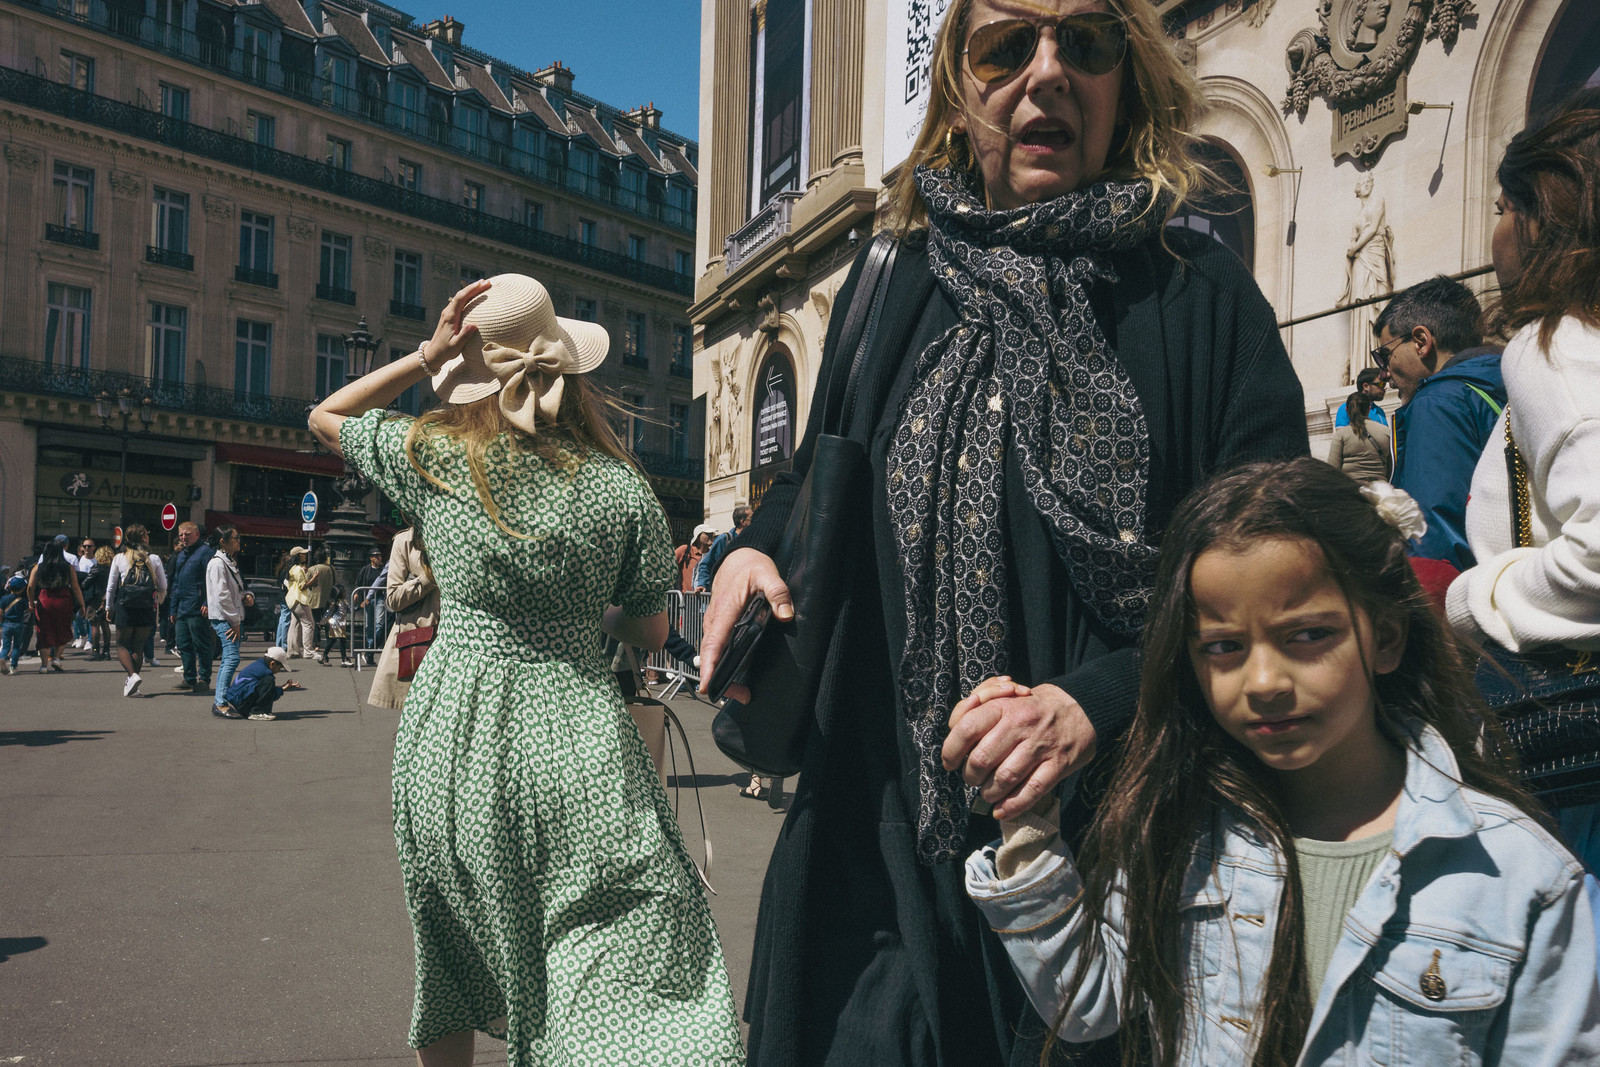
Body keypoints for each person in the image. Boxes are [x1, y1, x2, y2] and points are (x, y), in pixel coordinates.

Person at [697, 2, 1308, 1061]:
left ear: (1128, 78)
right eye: (1006, 44)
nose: (1047, 72)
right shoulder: (892, 283)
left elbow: (1278, 567)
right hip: (875, 852)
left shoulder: (1197, 292)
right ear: (957, 84)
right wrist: (755, 544)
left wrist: (1093, 702)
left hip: (1104, 865)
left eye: (1086, 42)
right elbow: (817, 468)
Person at [964, 458, 1600, 1064]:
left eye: (1308, 635)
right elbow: (1089, 1006)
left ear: (1385, 637)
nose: (1264, 680)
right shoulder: (1177, 825)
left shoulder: (1521, 875)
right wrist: (1029, 827)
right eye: (1223, 646)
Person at [309, 273, 743, 1066]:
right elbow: (648, 627)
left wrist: (422, 356)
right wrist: (586, 616)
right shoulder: (621, 489)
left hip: (454, 735)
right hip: (577, 739)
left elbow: (325, 416)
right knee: (613, 943)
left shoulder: (436, 456)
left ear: (472, 366)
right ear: (568, 367)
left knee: (449, 951)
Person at [1447, 89, 1600, 871]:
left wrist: (1474, 599)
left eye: (1504, 206)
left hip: (1575, 761)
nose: (1495, 232)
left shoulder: (1554, 344)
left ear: (1541, 217)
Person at [1373, 275, 1505, 569]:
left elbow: (1433, 534)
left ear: (1421, 341)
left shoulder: (1437, 402)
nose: (1383, 372)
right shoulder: (1498, 381)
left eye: (1385, 355)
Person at [367, 525, 439, 712]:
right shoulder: (406, 540)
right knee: (418, 713)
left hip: (461, 642)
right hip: (423, 639)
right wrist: (427, 577)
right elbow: (394, 599)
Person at [105, 525, 167, 697]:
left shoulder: (119, 558)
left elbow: (111, 587)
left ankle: (132, 676)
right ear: (144, 538)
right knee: (138, 645)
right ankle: (133, 685)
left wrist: (109, 607)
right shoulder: (153, 559)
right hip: (146, 606)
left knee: (122, 643)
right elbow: (163, 586)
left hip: (125, 606)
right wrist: (157, 603)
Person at [205, 526, 254, 717]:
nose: (238, 541)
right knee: (231, 658)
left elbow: (235, 591)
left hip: (230, 616)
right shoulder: (218, 564)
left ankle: (221, 700)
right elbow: (222, 595)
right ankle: (220, 702)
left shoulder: (228, 562)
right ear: (222, 541)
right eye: (235, 538)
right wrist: (234, 620)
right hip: (224, 617)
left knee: (229, 658)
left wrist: (247, 596)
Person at [166, 521, 215, 694]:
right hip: (182, 608)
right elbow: (176, 583)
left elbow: (211, 581)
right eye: (181, 535)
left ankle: (204, 679)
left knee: (201, 645)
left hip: (197, 608)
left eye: (187, 534)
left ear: (196, 535)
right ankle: (189, 678)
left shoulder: (206, 553)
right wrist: (173, 609)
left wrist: (207, 603)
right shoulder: (181, 555)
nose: (183, 538)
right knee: (183, 644)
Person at [29, 535, 85, 673]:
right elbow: (75, 587)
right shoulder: (68, 567)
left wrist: (31, 601)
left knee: (44, 631)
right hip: (63, 599)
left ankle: (43, 665)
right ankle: (57, 658)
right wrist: (82, 604)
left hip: (45, 599)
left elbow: (30, 586)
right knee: (63, 628)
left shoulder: (38, 567)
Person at [215, 645, 302, 721]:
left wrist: (283, 688)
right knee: (269, 681)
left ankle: (254, 711)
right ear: (273, 663)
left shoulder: (258, 665)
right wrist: (280, 690)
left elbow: (265, 692)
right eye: (281, 667)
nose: (280, 670)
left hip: (238, 699)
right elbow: (269, 694)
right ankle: (257, 712)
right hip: (242, 701)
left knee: (267, 683)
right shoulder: (266, 673)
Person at [1324, 390, 1391, 484]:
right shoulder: (1386, 432)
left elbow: (1333, 471)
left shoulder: (1341, 435)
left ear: (1347, 410)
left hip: (1351, 492)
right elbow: (1390, 468)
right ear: (1369, 409)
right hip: (1380, 492)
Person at [693, 505, 750, 592]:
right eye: (752, 518)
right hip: (725, 594)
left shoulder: (752, 540)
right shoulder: (724, 540)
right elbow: (706, 564)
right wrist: (703, 584)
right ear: (743, 522)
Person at [356, 547, 387, 666]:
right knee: (369, 624)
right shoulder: (366, 570)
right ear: (371, 558)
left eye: (380, 556)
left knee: (379, 623)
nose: (379, 558)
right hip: (368, 599)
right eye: (376, 556)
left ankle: (372, 646)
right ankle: (370, 646)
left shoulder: (383, 570)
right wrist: (358, 594)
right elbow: (359, 582)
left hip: (379, 598)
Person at [81, 546, 113, 660]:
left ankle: (95, 651)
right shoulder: (112, 569)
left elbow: (85, 584)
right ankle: (107, 651)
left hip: (95, 600)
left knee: (94, 625)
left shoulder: (96, 568)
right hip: (108, 599)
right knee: (105, 625)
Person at [274, 546, 302, 650]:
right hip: (287, 597)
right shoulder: (288, 571)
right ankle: (284, 644)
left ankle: (280, 642)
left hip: (282, 596)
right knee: (286, 620)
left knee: (283, 620)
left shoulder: (281, 571)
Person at [70, 537, 95, 650]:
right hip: (81, 589)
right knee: (78, 615)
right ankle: (81, 635)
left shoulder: (96, 560)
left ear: (93, 548)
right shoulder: (80, 560)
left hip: (92, 590)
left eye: (89, 546)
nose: (87, 548)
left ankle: (89, 640)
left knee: (89, 615)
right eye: (85, 546)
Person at [1, 574, 29, 674]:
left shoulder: (4, 599)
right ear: (22, 589)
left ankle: (2, 658)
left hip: (6, 624)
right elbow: (28, 609)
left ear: (9, 587)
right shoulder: (23, 601)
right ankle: (13, 667)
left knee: (5, 646)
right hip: (18, 624)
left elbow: (0, 612)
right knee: (16, 646)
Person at [677, 523, 716, 593]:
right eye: (707, 533)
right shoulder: (684, 550)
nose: (711, 536)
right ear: (698, 536)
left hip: (704, 598)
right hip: (685, 599)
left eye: (712, 534)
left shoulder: (712, 555)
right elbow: (669, 564)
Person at [319, 588, 353, 667]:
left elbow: (350, 610)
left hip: (340, 624)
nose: (345, 593)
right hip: (334, 624)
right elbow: (329, 613)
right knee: (336, 641)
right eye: (343, 592)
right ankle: (343, 659)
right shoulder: (334, 603)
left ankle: (325, 656)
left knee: (339, 641)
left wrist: (359, 607)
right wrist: (322, 622)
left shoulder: (344, 602)